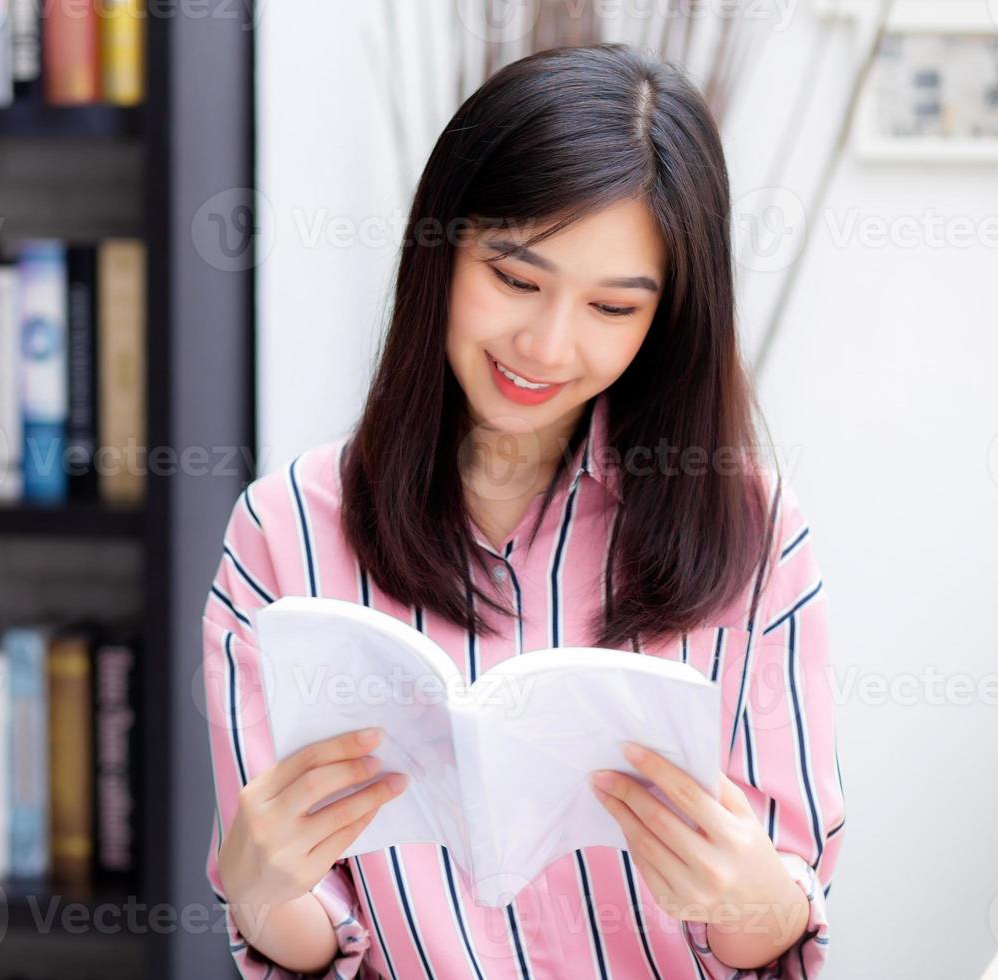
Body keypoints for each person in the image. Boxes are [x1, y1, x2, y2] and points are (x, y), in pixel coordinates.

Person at [201, 42, 845, 979]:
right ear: (442, 246)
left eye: (612, 308)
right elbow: (306, 946)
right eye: (516, 279)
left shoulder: (755, 534)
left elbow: (778, 933)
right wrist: (259, 889)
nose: (547, 346)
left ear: (667, 319)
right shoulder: (285, 534)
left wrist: (747, 892)